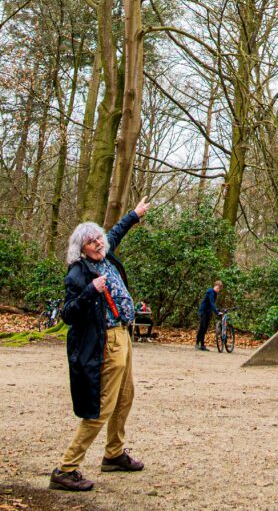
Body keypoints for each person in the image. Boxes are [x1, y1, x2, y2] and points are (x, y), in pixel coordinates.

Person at [49, 196, 151, 493]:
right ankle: (66, 468)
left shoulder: (105, 254)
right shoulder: (78, 274)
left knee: (125, 397)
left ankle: (114, 453)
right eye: (91, 241)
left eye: (99, 238)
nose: (98, 243)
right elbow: (69, 314)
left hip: (124, 334)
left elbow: (115, 232)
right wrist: (91, 291)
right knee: (102, 406)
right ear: (81, 248)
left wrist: (134, 214)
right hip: (105, 340)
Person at [195, 279, 223, 351]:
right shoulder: (210, 291)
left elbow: (213, 304)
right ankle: (197, 344)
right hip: (203, 311)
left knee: (205, 328)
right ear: (215, 286)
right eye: (217, 288)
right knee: (202, 327)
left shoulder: (215, 293)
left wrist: (217, 310)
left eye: (219, 289)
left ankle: (202, 345)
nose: (218, 290)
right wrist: (217, 312)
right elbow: (212, 303)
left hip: (208, 312)